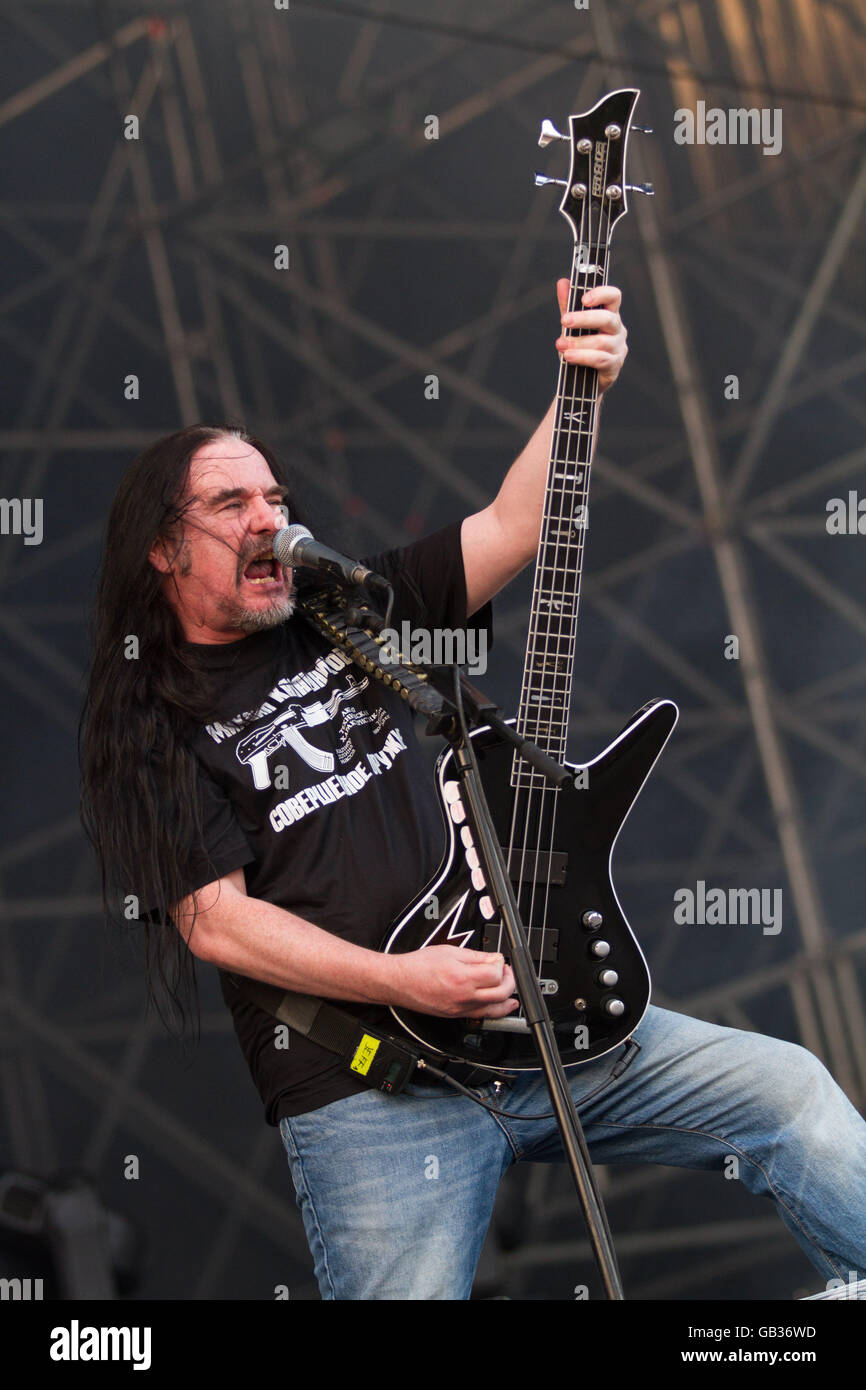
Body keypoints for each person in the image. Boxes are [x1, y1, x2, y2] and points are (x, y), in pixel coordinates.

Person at [80, 280, 866, 1301]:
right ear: (163, 547)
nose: (270, 521)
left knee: (789, 1094)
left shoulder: (349, 611)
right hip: (370, 1087)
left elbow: (510, 522)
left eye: (276, 498)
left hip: (534, 1022)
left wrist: (576, 381)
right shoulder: (154, 717)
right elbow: (215, 925)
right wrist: (400, 980)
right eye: (233, 505)